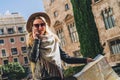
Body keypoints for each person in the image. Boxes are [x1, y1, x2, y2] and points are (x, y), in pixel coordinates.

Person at [26, 12, 94, 80]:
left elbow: (66, 58)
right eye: (36, 25)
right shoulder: (31, 43)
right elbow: (33, 58)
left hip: (58, 77)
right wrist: (37, 40)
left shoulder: (53, 40)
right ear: (33, 27)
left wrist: (85, 60)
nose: (40, 27)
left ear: (45, 26)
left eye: (42, 24)